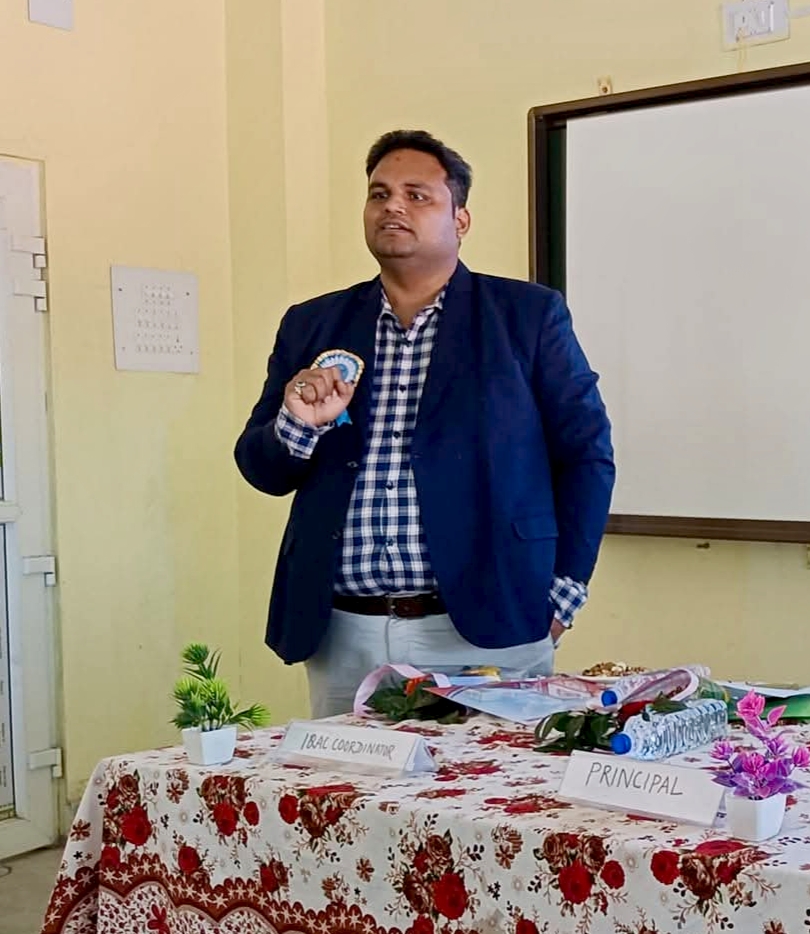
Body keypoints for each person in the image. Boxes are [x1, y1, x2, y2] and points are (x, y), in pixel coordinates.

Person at [235, 129, 614, 718]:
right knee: (348, 779)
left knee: (490, 777)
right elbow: (262, 468)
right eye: (379, 194)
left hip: (486, 624)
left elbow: (587, 454)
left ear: (460, 220)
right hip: (343, 628)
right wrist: (299, 425)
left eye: (417, 195)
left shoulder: (526, 316)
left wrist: (564, 592)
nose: (393, 207)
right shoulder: (312, 324)